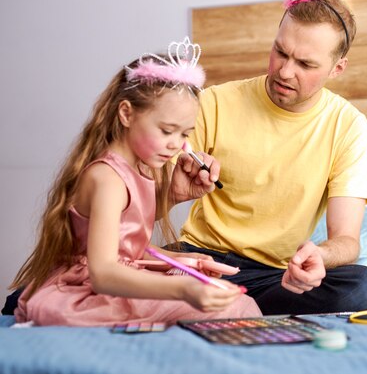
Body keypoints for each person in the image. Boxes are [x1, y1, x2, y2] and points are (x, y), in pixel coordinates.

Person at [171, 0, 367, 314]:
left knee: (366, 287)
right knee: (121, 270)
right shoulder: (213, 103)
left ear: (337, 68)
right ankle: (229, 304)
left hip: (277, 278)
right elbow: (140, 202)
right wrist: (173, 194)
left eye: (305, 64)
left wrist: (320, 255)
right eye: (280, 52)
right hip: (203, 262)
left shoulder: (350, 128)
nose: (285, 72)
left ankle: (233, 306)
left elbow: (347, 241)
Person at [6, 38, 261, 326]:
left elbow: (129, 248)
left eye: (184, 135)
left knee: (238, 304)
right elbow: (104, 273)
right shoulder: (107, 179)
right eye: (167, 131)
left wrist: (190, 264)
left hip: (115, 282)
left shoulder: (137, 169)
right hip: (90, 295)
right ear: (126, 113)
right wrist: (184, 288)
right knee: (233, 310)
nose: (176, 145)